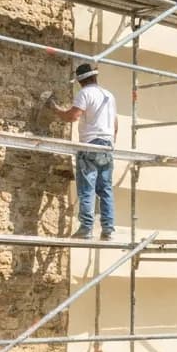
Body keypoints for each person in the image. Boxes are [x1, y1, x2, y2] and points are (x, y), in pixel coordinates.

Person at [49, 63, 118, 240]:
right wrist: (109, 143)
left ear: (80, 81)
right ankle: (108, 229)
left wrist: (55, 109)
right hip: (107, 146)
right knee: (105, 189)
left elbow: (73, 116)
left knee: (87, 187)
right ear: (95, 77)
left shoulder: (85, 93)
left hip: (90, 144)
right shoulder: (109, 95)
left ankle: (86, 228)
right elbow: (115, 125)